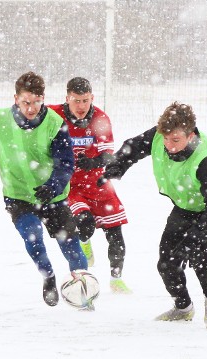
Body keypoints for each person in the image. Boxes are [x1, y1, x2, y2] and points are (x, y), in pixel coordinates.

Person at [100, 102, 207, 329]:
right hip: (186, 206)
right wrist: (119, 165)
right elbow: (133, 147)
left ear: (190, 135)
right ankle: (183, 307)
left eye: (176, 140)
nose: (169, 146)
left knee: (195, 251)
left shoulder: (206, 161)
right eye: (166, 139)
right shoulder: (158, 136)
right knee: (166, 263)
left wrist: (194, 238)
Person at [0, 71, 88, 307]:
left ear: (43, 98)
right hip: (18, 194)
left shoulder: (54, 124)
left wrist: (52, 186)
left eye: (36, 102)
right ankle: (48, 276)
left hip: (53, 197)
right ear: (15, 99)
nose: (31, 109)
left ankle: (84, 289)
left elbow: (66, 163)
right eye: (25, 103)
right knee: (33, 238)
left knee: (70, 245)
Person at [47, 77, 131, 294]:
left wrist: (94, 162)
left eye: (85, 100)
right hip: (71, 187)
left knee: (115, 232)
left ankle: (116, 279)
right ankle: (85, 242)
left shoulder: (100, 119)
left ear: (92, 98)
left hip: (99, 185)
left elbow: (109, 157)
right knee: (85, 223)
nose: (81, 106)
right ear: (67, 99)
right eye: (76, 101)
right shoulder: (54, 115)